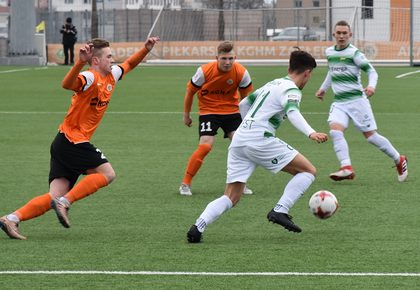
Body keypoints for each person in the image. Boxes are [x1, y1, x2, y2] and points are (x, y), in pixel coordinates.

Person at [0, 36, 160, 240]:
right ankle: (65, 203)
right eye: (109, 56)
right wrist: (79, 62)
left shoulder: (112, 76)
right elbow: (67, 84)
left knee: (53, 196)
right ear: (96, 60)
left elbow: (129, 64)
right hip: (72, 140)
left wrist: (145, 49)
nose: (113, 60)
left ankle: (11, 218)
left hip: (63, 142)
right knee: (108, 174)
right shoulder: (90, 77)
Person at [187, 50, 328, 243]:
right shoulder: (292, 90)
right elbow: (293, 111)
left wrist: (247, 127)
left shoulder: (273, 83)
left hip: (239, 139)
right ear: (307, 73)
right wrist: (311, 132)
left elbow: (244, 104)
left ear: (289, 68)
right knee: (308, 171)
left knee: (231, 196)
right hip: (260, 139)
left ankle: (198, 227)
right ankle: (280, 210)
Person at [315, 20, 407, 182]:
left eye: (345, 33)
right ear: (333, 34)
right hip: (339, 102)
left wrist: (371, 86)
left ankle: (399, 159)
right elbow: (332, 71)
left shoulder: (354, 54)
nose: (342, 36)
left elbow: (372, 72)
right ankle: (346, 167)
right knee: (335, 131)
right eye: (339, 33)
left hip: (357, 101)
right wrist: (323, 88)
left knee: (371, 137)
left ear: (350, 35)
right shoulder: (329, 52)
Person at [179, 41, 254, 196]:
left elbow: (247, 99)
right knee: (205, 146)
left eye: (231, 59)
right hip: (209, 111)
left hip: (232, 111)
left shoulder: (242, 72)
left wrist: (248, 120)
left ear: (235, 57)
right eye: (224, 59)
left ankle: (240, 183)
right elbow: (190, 92)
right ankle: (185, 184)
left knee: (242, 145)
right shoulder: (204, 71)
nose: (227, 62)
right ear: (216, 58)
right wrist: (186, 115)